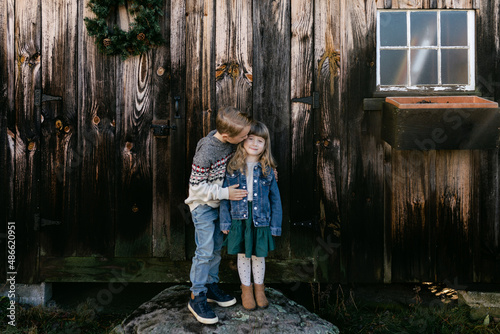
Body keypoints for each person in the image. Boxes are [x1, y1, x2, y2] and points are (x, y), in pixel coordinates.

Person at [185, 106, 252, 324]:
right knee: (204, 250)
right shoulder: (207, 150)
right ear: (226, 136)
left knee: (216, 248)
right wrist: (225, 193)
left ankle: (211, 286)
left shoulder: (230, 144)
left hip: (220, 205)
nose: (246, 139)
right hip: (203, 205)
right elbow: (196, 188)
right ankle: (197, 296)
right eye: (243, 136)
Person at [220, 121, 282, 310]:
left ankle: (259, 289)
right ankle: (246, 290)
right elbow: (224, 197)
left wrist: (275, 225)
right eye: (251, 139)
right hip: (240, 219)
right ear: (242, 141)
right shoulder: (232, 168)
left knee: (258, 256)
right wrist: (225, 220)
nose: (255, 144)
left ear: (265, 145)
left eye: (260, 141)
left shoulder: (268, 171)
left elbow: (275, 200)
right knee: (243, 256)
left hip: (260, 220)